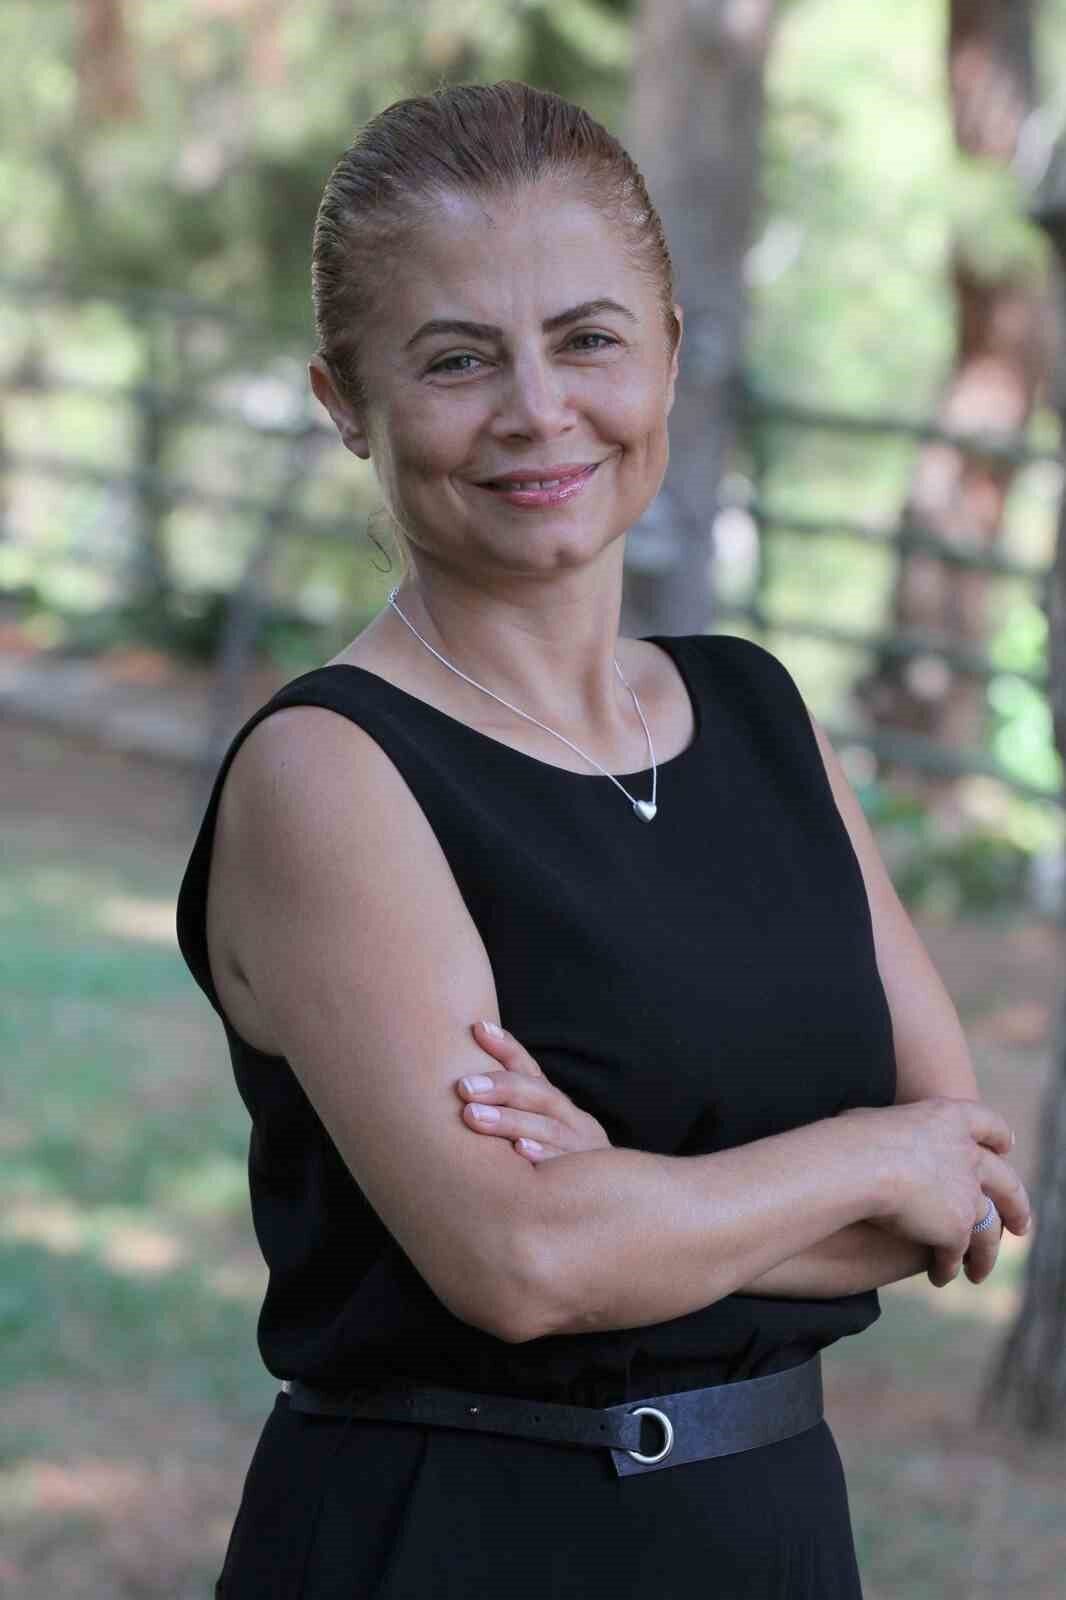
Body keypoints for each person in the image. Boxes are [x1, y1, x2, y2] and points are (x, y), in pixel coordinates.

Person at [175, 79, 1032, 1599]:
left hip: (773, 1536)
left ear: (670, 355)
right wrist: (852, 1160)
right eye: (457, 359)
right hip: (454, 1545)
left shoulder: (760, 718)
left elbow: (957, 1188)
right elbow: (521, 1264)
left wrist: (625, 1193)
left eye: (587, 339)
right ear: (343, 402)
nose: (536, 410)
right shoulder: (329, 773)